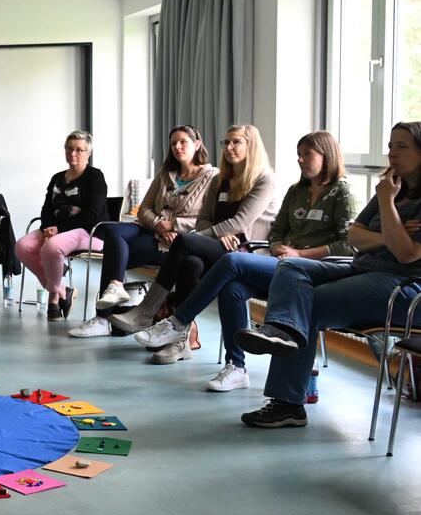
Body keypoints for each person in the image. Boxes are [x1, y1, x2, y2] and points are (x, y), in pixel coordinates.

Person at [134, 131, 356, 390]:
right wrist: (277, 247)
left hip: (311, 271)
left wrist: (300, 254)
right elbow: (277, 231)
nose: (300, 160)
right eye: (298, 154)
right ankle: (236, 367)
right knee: (233, 288)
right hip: (283, 265)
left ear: (326, 155)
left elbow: (348, 245)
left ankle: (178, 321)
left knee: (232, 262)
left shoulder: (342, 193)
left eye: (307, 154)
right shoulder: (296, 191)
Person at [234, 122, 421, 427]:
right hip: (364, 269)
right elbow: (355, 236)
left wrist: (386, 205)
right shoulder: (393, 188)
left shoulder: (387, 192)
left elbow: (406, 255)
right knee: (292, 268)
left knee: (309, 303)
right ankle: (281, 331)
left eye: (401, 146)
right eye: (389, 146)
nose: (391, 153)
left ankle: (288, 403)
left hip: (405, 288)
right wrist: (394, 232)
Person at [109, 124, 278, 364]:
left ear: (252, 145)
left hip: (248, 252)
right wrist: (216, 236)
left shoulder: (265, 180)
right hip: (220, 246)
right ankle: (180, 343)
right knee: (190, 263)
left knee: (186, 242)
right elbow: (204, 218)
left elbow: (240, 222)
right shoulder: (221, 180)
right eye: (226, 142)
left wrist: (204, 236)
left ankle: (146, 311)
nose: (229, 147)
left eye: (236, 142)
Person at [68, 126, 217, 337]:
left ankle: (104, 317)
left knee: (115, 251)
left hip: (177, 243)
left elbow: (207, 219)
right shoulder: (165, 174)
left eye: (183, 141)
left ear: (197, 144)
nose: (177, 146)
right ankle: (114, 290)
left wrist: (174, 225)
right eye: (173, 143)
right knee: (111, 231)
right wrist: (158, 224)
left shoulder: (211, 177)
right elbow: (144, 209)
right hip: (151, 231)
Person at [15, 131, 108, 321]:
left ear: (88, 153)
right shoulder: (57, 177)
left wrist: (58, 230)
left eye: (79, 150)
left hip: (90, 232)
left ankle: (54, 298)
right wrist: (48, 227)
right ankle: (64, 290)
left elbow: (92, 215)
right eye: (69, 149)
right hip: (56, 231)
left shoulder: (95, 177)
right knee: (22, 247)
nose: (73, 153)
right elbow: (46, 209)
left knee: (51, 247)